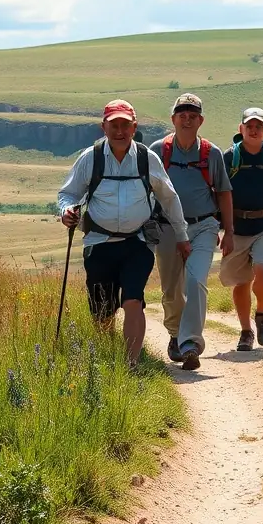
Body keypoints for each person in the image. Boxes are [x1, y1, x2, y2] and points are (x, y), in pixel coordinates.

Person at [58, 99, 190, 368]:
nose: (120, 131)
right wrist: (67, 211)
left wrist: (181, 235)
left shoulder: (146, 159)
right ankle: (109, 356)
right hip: (99, 243)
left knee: (133, 299)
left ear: (134, 127)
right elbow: (68, 194)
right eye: (114, 125)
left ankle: (130, 364)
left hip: (137, 242)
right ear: (103, 127)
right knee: (102, 309)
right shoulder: (90, 158)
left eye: (125, 125)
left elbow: (169, 197)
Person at [150, 93, 234, 371]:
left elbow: (223, 192)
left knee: (196, 280)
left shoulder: (212, 154)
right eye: (182, 115)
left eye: (192, 116)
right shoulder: (157, 151)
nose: (187, 120)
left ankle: (190, 345)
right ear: (173, 119)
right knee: (172, 290)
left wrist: (230, 232)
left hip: (204, 225)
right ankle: (175, 333)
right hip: (167, 228)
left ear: (201, 121)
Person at [220, 107, 263, 351]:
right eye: (249, 126)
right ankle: (246, 331)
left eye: (258, 126)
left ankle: (261, 314)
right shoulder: (228, 159)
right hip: (237, 228)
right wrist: (222, 228)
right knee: (241, 282)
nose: (253, 130)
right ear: (240, 129)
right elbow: (219, 193)